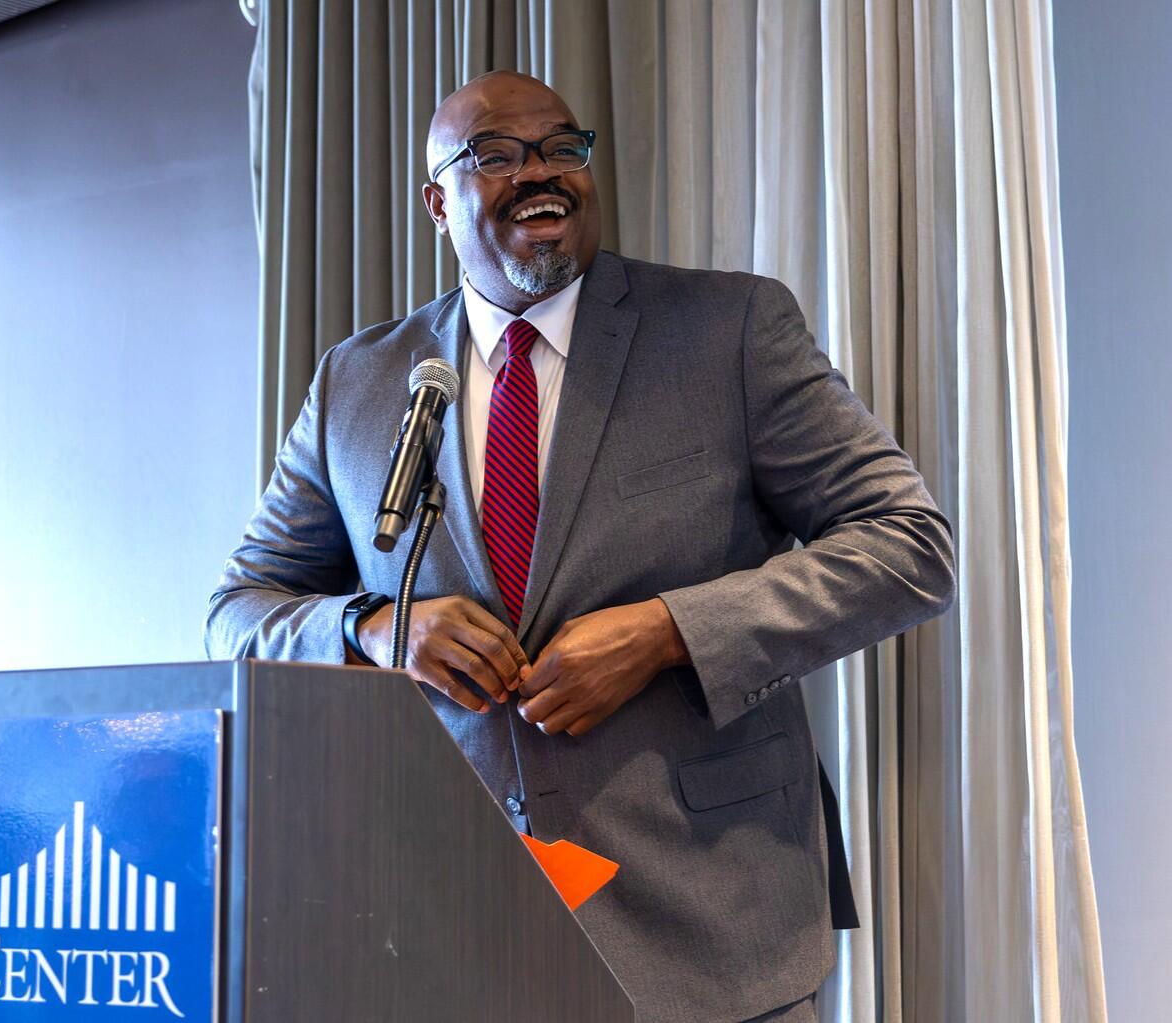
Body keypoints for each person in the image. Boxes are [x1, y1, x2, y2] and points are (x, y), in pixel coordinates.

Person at [205, 70, 954, 1023]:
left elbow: (908, 545)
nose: (539, 172)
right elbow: (238, 612)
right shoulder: (359, 380)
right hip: (443, 928)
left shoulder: (726, 331)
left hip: (706, 928)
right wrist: (375, 627)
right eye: (495, 155)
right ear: (437, 201)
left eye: (562, 147)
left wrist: (667, 630)